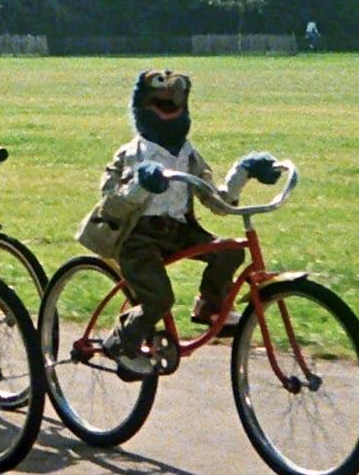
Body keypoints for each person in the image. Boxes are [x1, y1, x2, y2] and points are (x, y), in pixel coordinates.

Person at [76, 69, 278, 378]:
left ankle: (210, 306)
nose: (171, 105)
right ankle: (120, 343)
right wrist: (141, 182)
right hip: (137, 237)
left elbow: (216, 199)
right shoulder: (132, 153)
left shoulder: (187, 154)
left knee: (230, 251)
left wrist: (243, 172)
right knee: (158, 298)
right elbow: (111, 198)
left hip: (179, 231)